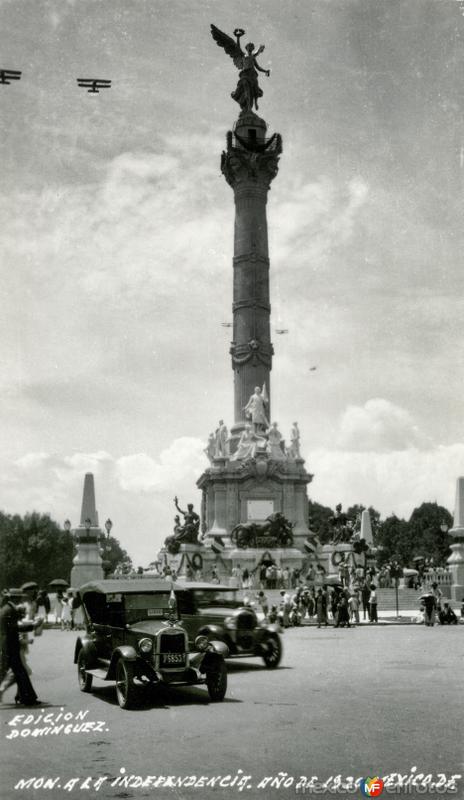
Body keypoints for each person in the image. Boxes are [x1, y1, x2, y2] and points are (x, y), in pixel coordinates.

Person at [0, 593, 43, 705]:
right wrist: (33, 625)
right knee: (20, 672)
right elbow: (15, 627)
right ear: (15, 598)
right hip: (11, 645)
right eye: (19, 598)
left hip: (8, 645)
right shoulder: (10, 610)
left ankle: (25, 697)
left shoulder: (7, 609)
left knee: (16, 672)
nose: (20, 600)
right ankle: (27, 698)